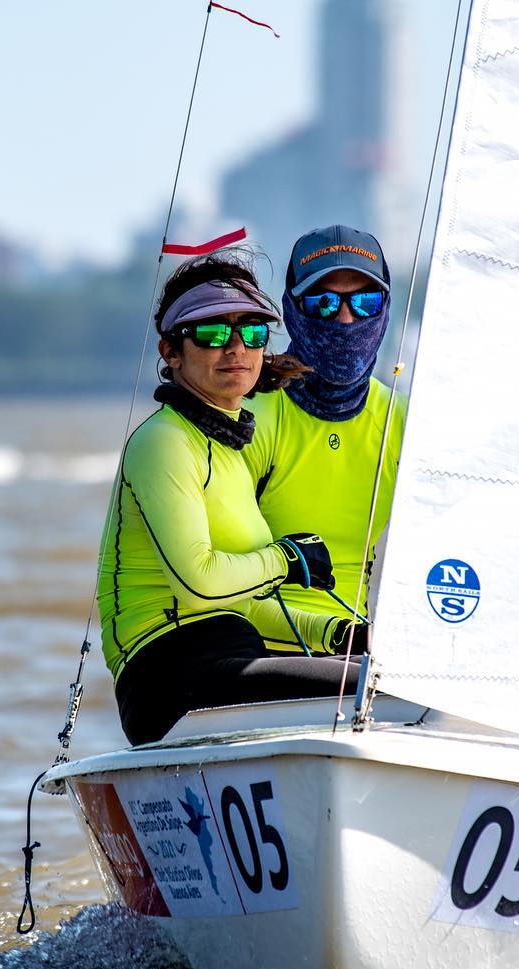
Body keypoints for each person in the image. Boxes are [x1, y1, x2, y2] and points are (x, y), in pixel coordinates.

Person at [98, 252, 361, 745]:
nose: (236, 347)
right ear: (171, 351)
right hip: (166, 678)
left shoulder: (230, 452)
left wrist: (342, 634)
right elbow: (200, 585)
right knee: (376, 691)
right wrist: (284, 560)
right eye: (212, 333)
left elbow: (246, 605)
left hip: (230, 660)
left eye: (252, 333)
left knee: (381, 674)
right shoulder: (164, 442)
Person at [244, 224, 406, 651]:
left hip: (363, 656)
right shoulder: (248, 416)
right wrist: (336, 635)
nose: (345, 319)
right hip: (255, 654)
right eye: (324, 303)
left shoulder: (404, 421)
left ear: (386, 308)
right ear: (292, 310)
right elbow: (209, 581)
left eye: (365, 302)